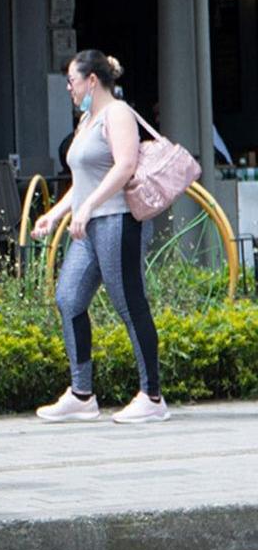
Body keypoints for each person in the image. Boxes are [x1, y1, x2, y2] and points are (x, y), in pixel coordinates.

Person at [31, 50, 168, 424]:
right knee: (69, 298)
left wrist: (89, 206)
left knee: (129, 302)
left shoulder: (117, 114)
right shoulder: (87, 120)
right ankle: (81, 394)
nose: (69, 89)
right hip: (90, 225)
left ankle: (152, 396)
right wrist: (54, 214)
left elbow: (124, 166)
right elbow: (83, 182)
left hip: (119, 221)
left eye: (72, 82)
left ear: (92, 80)